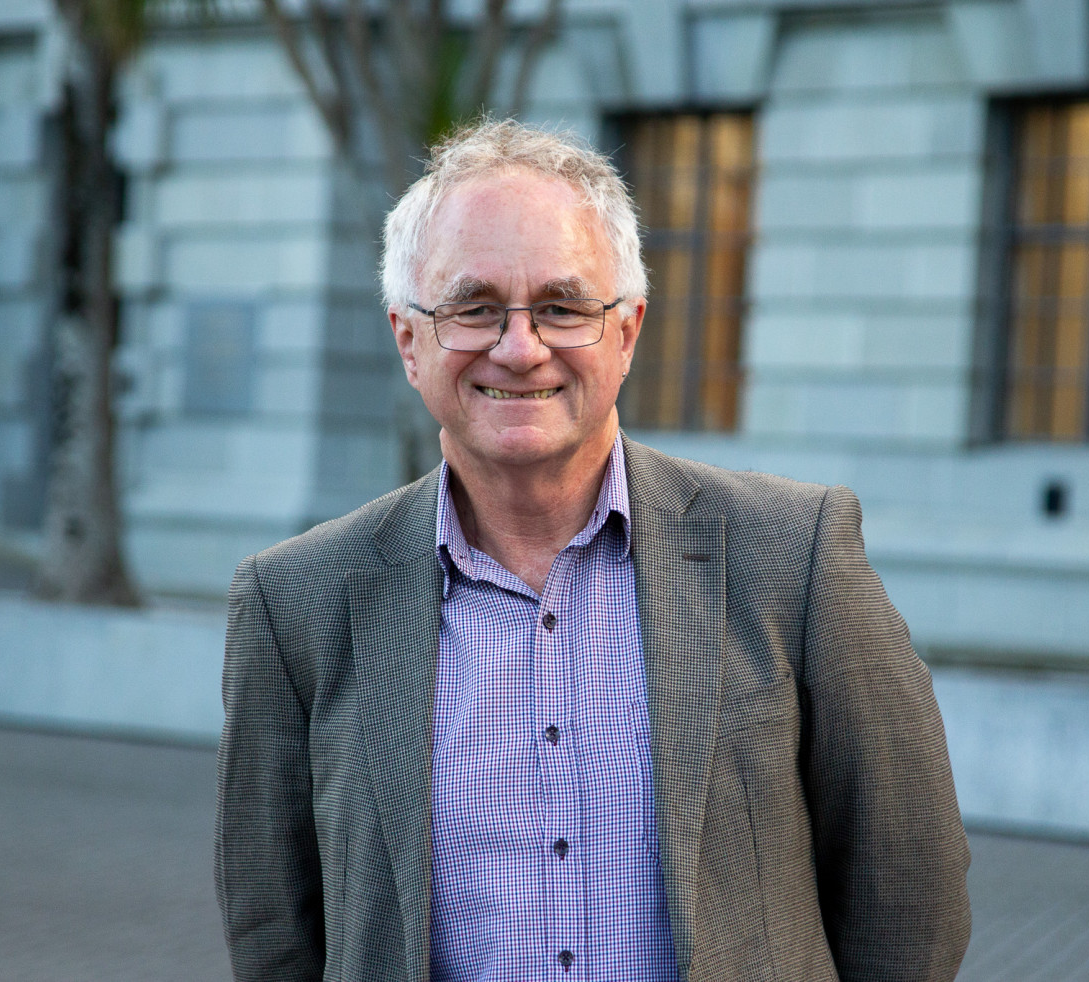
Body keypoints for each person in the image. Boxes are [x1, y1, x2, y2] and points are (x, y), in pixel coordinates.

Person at [215, 119, 971, 982]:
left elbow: (909, 887)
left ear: (628, 329)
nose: (520, 346)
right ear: (409, 339)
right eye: (474, 308)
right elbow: (273, 930)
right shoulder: (295, 605)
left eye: (562, 307)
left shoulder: (792, 559)